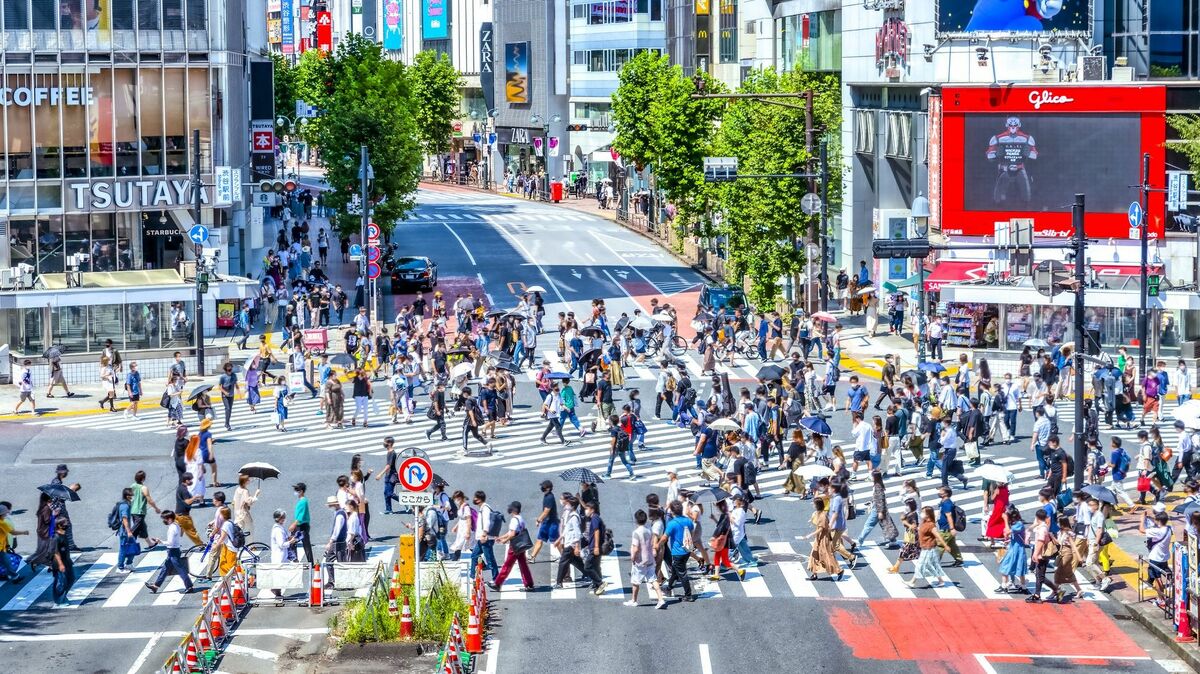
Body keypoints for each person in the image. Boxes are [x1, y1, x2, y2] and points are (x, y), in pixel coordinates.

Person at [144, 511, 194, 594]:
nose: (164, 521)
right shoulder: (176, 525)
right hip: (175, 550)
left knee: (180, 570)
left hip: (173, 550)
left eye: (164, 519)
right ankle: (156, 586)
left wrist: (160, 541)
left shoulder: (172, 528)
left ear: (169, 519)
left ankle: (189, 586)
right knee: (165, 568)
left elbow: (170, 542)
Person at [489, 501, 534, 591]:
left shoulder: (514, 520)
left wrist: (505, 540)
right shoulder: (520, 518)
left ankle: (497, 583)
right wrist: (501, 537)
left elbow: (512, 534)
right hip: (521, 545)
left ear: (513, 509)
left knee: (507, 565)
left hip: (514, 546)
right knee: (523, 564)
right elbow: (512, 532)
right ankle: (529, 584)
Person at [626, 509, 666, 609]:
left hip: (640, 561)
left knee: (635, 581)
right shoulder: (649, 530)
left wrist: (633, 557)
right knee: (653, 579)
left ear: (636, 520)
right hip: (650, 559)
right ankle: (661, 599)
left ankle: (634, 600)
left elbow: (635, 548)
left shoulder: (636, 532)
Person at [906, 507, 953, 589]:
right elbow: (922, 531)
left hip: (929, 548)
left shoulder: (931, 525)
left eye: (923, 512)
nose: (921, 514)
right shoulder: (923, 523)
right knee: (933, 565)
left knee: (920, 565)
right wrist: (915, 528)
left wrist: (945, 545)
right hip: (925, 547)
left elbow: (938, 536)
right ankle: (941, 581)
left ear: (928, 514)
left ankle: (912, 582)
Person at [802, 497, 843, 580]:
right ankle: (814, 574)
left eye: (814, 504)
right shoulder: (819, 513)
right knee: (814, 554)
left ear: (817, 505)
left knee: (827, 555)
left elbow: (821, 529)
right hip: (819, 537)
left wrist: (809, 535)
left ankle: (839, 570)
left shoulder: (822, 516)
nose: (812, 505)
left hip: (823, 539)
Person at [663, 501, 695, 601]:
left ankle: (688, 595)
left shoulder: (672, 523)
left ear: (672, 511)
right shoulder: (688, 521)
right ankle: (668, 588)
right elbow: (692, 533)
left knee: (682, 573)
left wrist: (657, 545)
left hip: (677, 552)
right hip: (687, 550)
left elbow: (665, 538)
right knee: (676, 571)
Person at [1140, 509, 1173, 609]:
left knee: (1158, 579)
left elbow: (1141, 529)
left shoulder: (1156, 531)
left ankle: (1161, 600)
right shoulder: (1169, 528)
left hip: (1155, 558)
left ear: (1158, 521)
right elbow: (1159, 524)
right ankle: (1170, 585)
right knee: (1164, 573)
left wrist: (1142, 519)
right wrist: (1151, 518)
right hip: (1164, 556)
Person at [1027, 508, 1059, 603]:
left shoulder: (1042, 528)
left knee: (1040, 576)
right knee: (1040, 575)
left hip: (1041, 555)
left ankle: (1053, 591)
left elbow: (1040, 542)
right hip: (1042, 554)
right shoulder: (1043, 526)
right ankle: (1038, 594)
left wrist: (1036, 554)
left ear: (1037, 517)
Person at [996, 507, 1029, 594]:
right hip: (1014, 548)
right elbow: (1007, 534)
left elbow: (1007, 532)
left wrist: (1005, 521)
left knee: (1010, 567)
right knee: (1009, 566)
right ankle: (1018, 586)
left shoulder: (1019, 524)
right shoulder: (1017, 524)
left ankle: (1018, 586)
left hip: (1017, 550)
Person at [469, 491, 500, 582]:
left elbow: (487, 522)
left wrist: (484, 534)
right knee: (474, 555)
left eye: (475, 498)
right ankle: (472, 576)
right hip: (481, 538)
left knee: (490, 560)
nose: (474, 500)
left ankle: (496, 579)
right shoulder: (483, 508)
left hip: (485, 538)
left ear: (479, 499)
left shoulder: (485, 508)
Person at [129, 470, 161, 551]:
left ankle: (150, 544)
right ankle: (128, 544)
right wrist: (156, 508)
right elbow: (149, 500)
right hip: (140, 511)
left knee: (143, 527)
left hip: (133, 510)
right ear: (143, 479)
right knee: (135, 529)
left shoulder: (132, 486)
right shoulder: (144, 488)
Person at [528, 480, 559, 563]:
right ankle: (532, 557)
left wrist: (538, 520)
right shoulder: (547, 496)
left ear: (548, 488)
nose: (542, 488)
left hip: (552, 523)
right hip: (546, 522)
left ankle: (564, 557)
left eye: (544, 487)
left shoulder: (549, 497)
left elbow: (546, 511)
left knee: (556, 541)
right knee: (540, 539)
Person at [174, 473, 203, 546]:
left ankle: (173, 545)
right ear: (186, 480)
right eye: (190, 480)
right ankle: (200, 545)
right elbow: (187, 502)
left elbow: (183, 500)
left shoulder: (180, 487)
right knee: (192, 531)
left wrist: (194, 499)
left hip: (177, 514)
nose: (192, 481)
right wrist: (195, 497)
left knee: (176, 532)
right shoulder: (184, 490)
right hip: (184, 516)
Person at [290, 483, 313, 564]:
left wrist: (294, 524)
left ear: (302, 491)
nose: (295, 492)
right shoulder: (302, 500)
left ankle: (310, 562)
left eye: (297, 490)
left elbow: (301, 516)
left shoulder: (303, 501)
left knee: (305, 544)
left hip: (302, 525)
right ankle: (296, 559)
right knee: (293, 542)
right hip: (300, 525)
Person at [233, 474, 260, 540]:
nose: (249, 480)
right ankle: (251, 545)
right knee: (250, 527)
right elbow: (249, 502)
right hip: (244, 513)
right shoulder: (245, 491)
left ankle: (236, 543)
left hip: (237, 512)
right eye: (248, 480)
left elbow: (234, 501)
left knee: (239, 528)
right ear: (244, 482)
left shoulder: (237, 489)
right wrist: (256, 494)